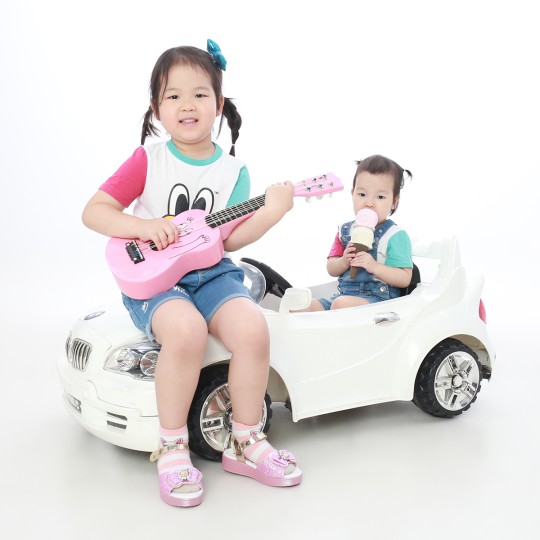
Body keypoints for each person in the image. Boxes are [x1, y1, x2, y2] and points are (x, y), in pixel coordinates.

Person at [82, 39, 301, 507]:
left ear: (218, 105)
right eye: (174, 95)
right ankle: (172, 446)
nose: (187, 105)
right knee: (186, 332)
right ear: (156, 108)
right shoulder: (148, 160)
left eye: (200, 94)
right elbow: (95, 211)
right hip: (157, 281)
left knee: (253, 329)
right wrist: (145, 226)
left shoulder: (234, 171)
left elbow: (231, 240)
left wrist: (274, 209)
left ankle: (245, 440)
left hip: (213, 274)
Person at [303, 155, 413, 311]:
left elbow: (404, 278)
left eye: (380, 197)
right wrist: (343, 261)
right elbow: (331, 268)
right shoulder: (344, 231)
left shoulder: (394, 236)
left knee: (340, 304)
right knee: (302, 305)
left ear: (394, 201)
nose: (369, 203)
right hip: (343, 297)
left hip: (379, 301)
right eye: (362, 194)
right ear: (352, 193)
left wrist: (374, 266)